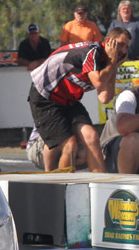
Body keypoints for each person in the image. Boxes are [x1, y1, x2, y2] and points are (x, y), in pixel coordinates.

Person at [28, 27, 131, 172]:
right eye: (120, 44)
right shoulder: (92, 52)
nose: (123, 51)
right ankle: (62, 182)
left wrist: (114, 65)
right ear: (109, 41)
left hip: (68, 99)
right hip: (45, 95)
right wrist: (112, 63)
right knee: (69, 144)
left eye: (126, 47)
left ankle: (99, 182)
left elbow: (104, 97)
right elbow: (99, 82)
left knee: (92, 137)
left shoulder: (108, 62)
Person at [99, 81, 139, 173]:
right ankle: (125, 181)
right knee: (132, 140)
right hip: (113, 151)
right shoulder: (129, 95)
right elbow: (123, 127)